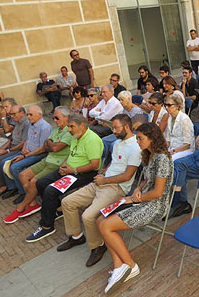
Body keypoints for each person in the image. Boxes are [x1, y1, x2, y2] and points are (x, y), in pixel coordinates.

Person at [97, 123, 173, 294]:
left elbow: (158, 193)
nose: (137, 141)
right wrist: (138, 188)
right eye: (137, 137)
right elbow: (148, 179)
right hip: (142, 199)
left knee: (106, 226)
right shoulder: (148, 154)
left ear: (152, 139)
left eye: (140, 138)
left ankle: (131, 266)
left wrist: (133, 197)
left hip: (154, 206)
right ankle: (119, 266)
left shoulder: (161, 159)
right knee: (100, 219)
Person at [58, 114, 141, 267]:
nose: (113, 131)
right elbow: (114, 163)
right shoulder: (117, 143)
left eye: (116, 127)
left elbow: (128, 175)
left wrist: (105, 180)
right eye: (113, 127)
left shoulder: (135, 147)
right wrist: (103, 172)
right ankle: (76, 237)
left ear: (127, 127)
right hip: (102, 182)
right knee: (67, 202)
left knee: (88, 216)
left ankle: (98, 246)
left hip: (116, 188)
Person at [26, 114, 103, 242]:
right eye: (68, 126)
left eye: (71, 126)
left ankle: (46, 226)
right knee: (41, 183)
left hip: (83, 174)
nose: (69, 129)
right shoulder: (76, 136)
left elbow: (94, 165)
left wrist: (73, 170)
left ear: (82, 126)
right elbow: (71, 154)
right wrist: (64, 164)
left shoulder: (92, 140)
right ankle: (56, 209)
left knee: (50, 190)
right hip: (69, 170)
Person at [3, 106, 72, 224]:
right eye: (53, 117)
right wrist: (51, 145)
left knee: (33, 181)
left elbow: (53, 147)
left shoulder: (69, 131)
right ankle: (33, 203)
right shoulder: (56, 129)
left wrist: (51, 145)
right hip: (48, 159)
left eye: (57, 118)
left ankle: (21, 207)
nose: (54, 120)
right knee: (22, 175)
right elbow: (47, 144)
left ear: (67, 118)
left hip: (57, 162)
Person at [0, 105, 52, 204]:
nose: (28, 117)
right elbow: (27, 140)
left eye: (31, 114)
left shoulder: (45, 127)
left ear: (39, 115)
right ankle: (13, 187)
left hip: (37, 154)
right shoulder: (32, 124)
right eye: (28, 114)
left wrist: (25, 156)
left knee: (14, 167)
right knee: (3, 162)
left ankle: (23, 193)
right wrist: (24, 149)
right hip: (27, 151)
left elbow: (42, 149)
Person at [0, 105, 29, 198]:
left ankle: (7, 186)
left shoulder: (26, 123)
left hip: (18, 149)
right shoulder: (17, 122)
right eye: (11, 115)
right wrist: (3, 148)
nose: (12, 117)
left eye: (14, 114)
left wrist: (7, 151)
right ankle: (1, 183)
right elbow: (11, 139)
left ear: (22, 113)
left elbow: (23, 143)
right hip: (12, 146)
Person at [163, 94, 195, 161]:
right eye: (165, 105)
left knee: (168, 160)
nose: (166, 107)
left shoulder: (184, 119)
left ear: (177, 106)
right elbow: (168, 140)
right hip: (172, 148)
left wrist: (173, 151)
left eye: (169, 105)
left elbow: (187, 144)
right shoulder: (169, 118)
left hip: (185, 150)